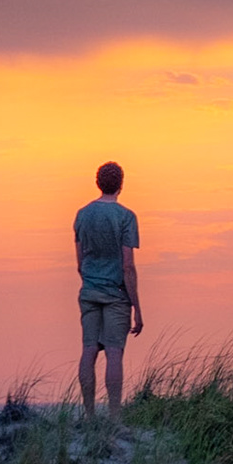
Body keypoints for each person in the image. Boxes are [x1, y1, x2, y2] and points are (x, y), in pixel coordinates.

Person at [74, 161, 143, 418]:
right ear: (121, 185)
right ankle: (115, 416)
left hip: (89, 291)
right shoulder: (126, 217)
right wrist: (136, 307)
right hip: (116, 294)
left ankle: (89, 415)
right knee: (114, 352)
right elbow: (128, 265)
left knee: (89, 349)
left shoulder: (82, 215)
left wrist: (91, 280)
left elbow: (80, 263)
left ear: (98, 183)